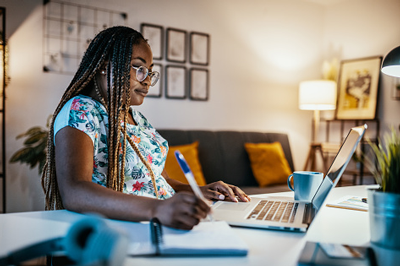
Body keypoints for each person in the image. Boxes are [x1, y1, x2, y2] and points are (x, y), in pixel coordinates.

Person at [41, 26, 250, 230]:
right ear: (105, 66)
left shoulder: (138, 119)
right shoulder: (81, 109)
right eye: (139, 69)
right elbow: (75, 191)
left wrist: (201, 191)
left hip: (161, 223)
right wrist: (157, 209)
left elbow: (161, 179)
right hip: (124, 228)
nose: (148, 80)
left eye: (150, 72)